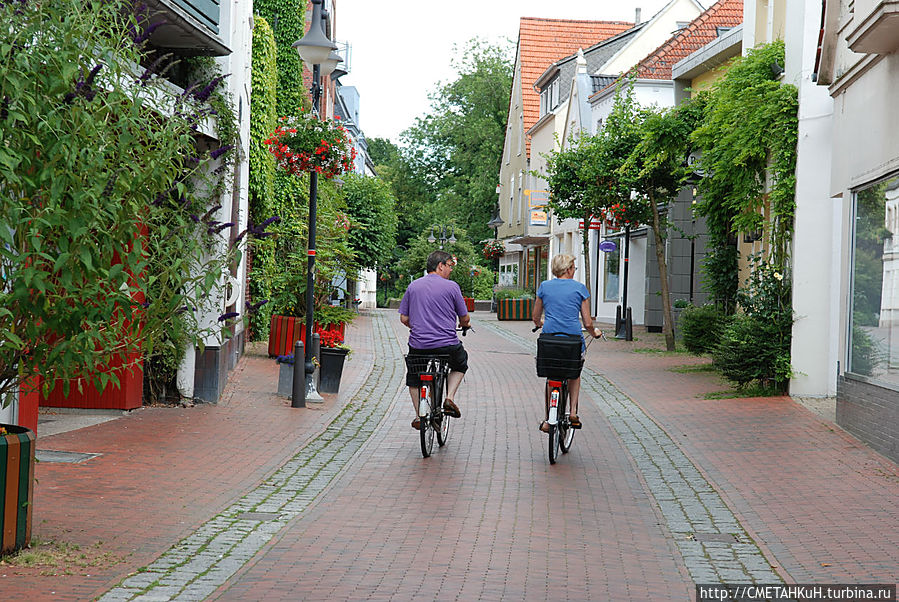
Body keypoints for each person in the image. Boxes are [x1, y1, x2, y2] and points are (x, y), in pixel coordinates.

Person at [399, 250, 471, 430]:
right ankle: (449, 398)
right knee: (461, 363)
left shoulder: (413, 286)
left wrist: (418, 327)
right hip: (447, 346)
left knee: (414, 378)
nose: (451, 270)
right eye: (449, 265)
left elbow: (404, 318)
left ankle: (418, 415)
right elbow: (465, 318)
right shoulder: (452, 287)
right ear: (440, 266)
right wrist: (465, 325)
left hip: (418, 345)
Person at [532, 253, 601, 431]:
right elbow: (587, 323)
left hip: (549, 339)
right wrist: (594, 333)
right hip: (572, 340)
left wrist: (541, 324)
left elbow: (535, 317)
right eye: (573, 268)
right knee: (574, 372)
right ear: (569, 269)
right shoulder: (580, 289)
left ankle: (548, 420)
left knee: (551, 377)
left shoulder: (544, 287)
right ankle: (573, 412)